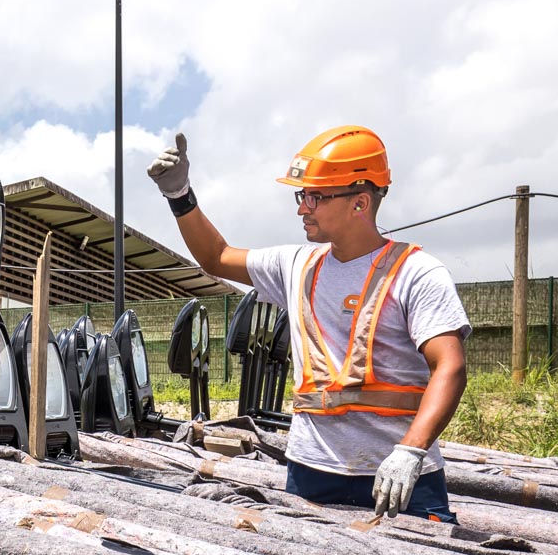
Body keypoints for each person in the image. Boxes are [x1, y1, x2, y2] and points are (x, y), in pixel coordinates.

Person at [147, 126, 469, 521]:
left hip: (401, 474)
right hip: (311, 470)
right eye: (302, 196)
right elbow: (217, 257)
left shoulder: (417, 273)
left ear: (360, 202)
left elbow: (450, 367)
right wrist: (179, 196)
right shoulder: (297, 264)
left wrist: (411, 451)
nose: (303, 207)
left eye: (315, 196)